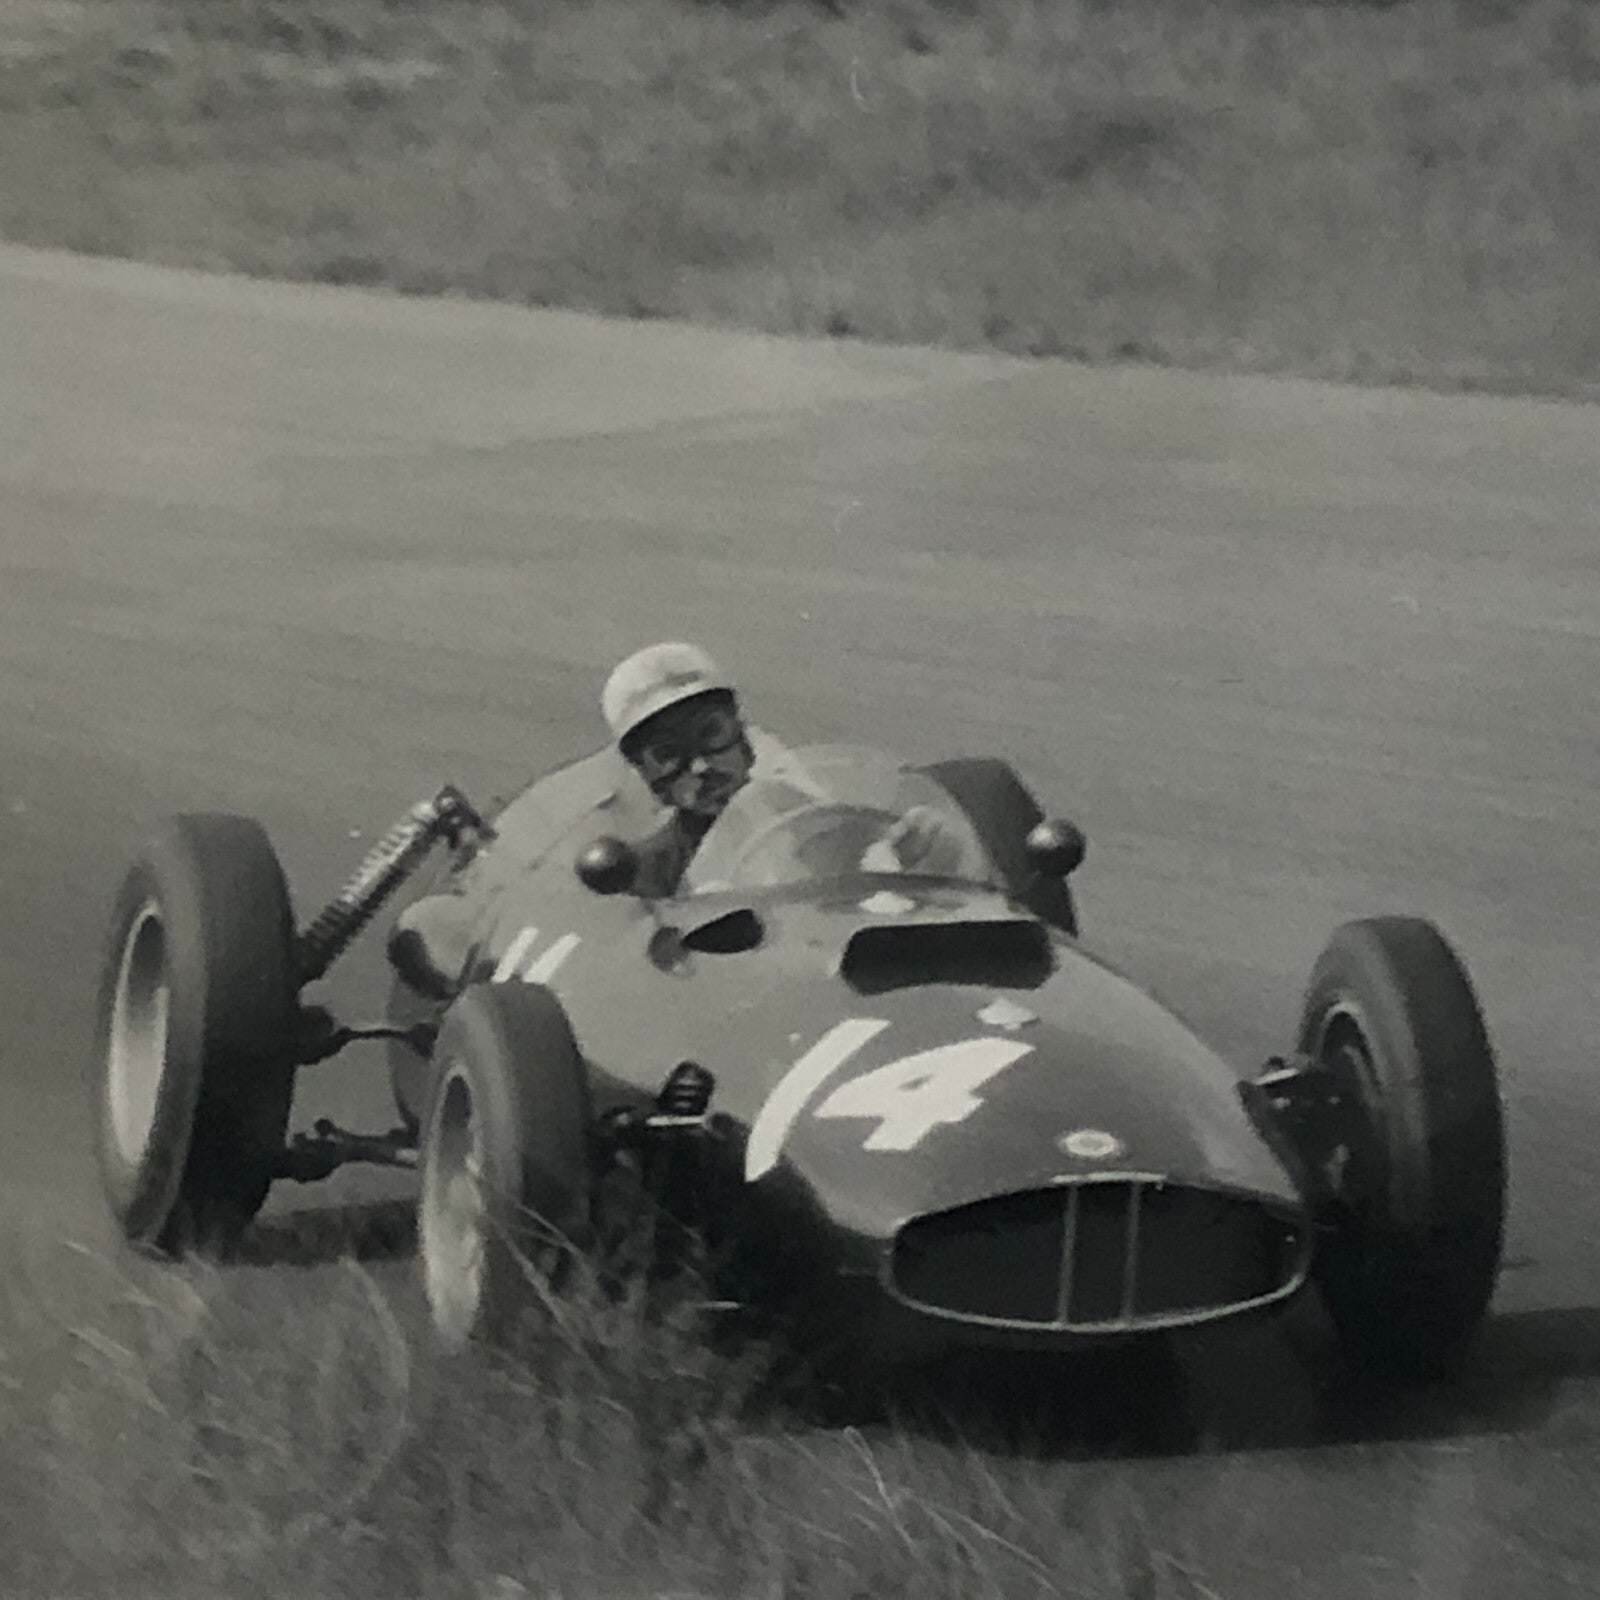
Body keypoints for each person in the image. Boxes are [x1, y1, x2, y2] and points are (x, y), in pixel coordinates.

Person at [601, 642, 761, 899]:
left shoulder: (814, 823)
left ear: (741, 734)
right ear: (648, 777)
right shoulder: (649, 874)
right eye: (668, 754)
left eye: (711, 734)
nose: (700, 766)